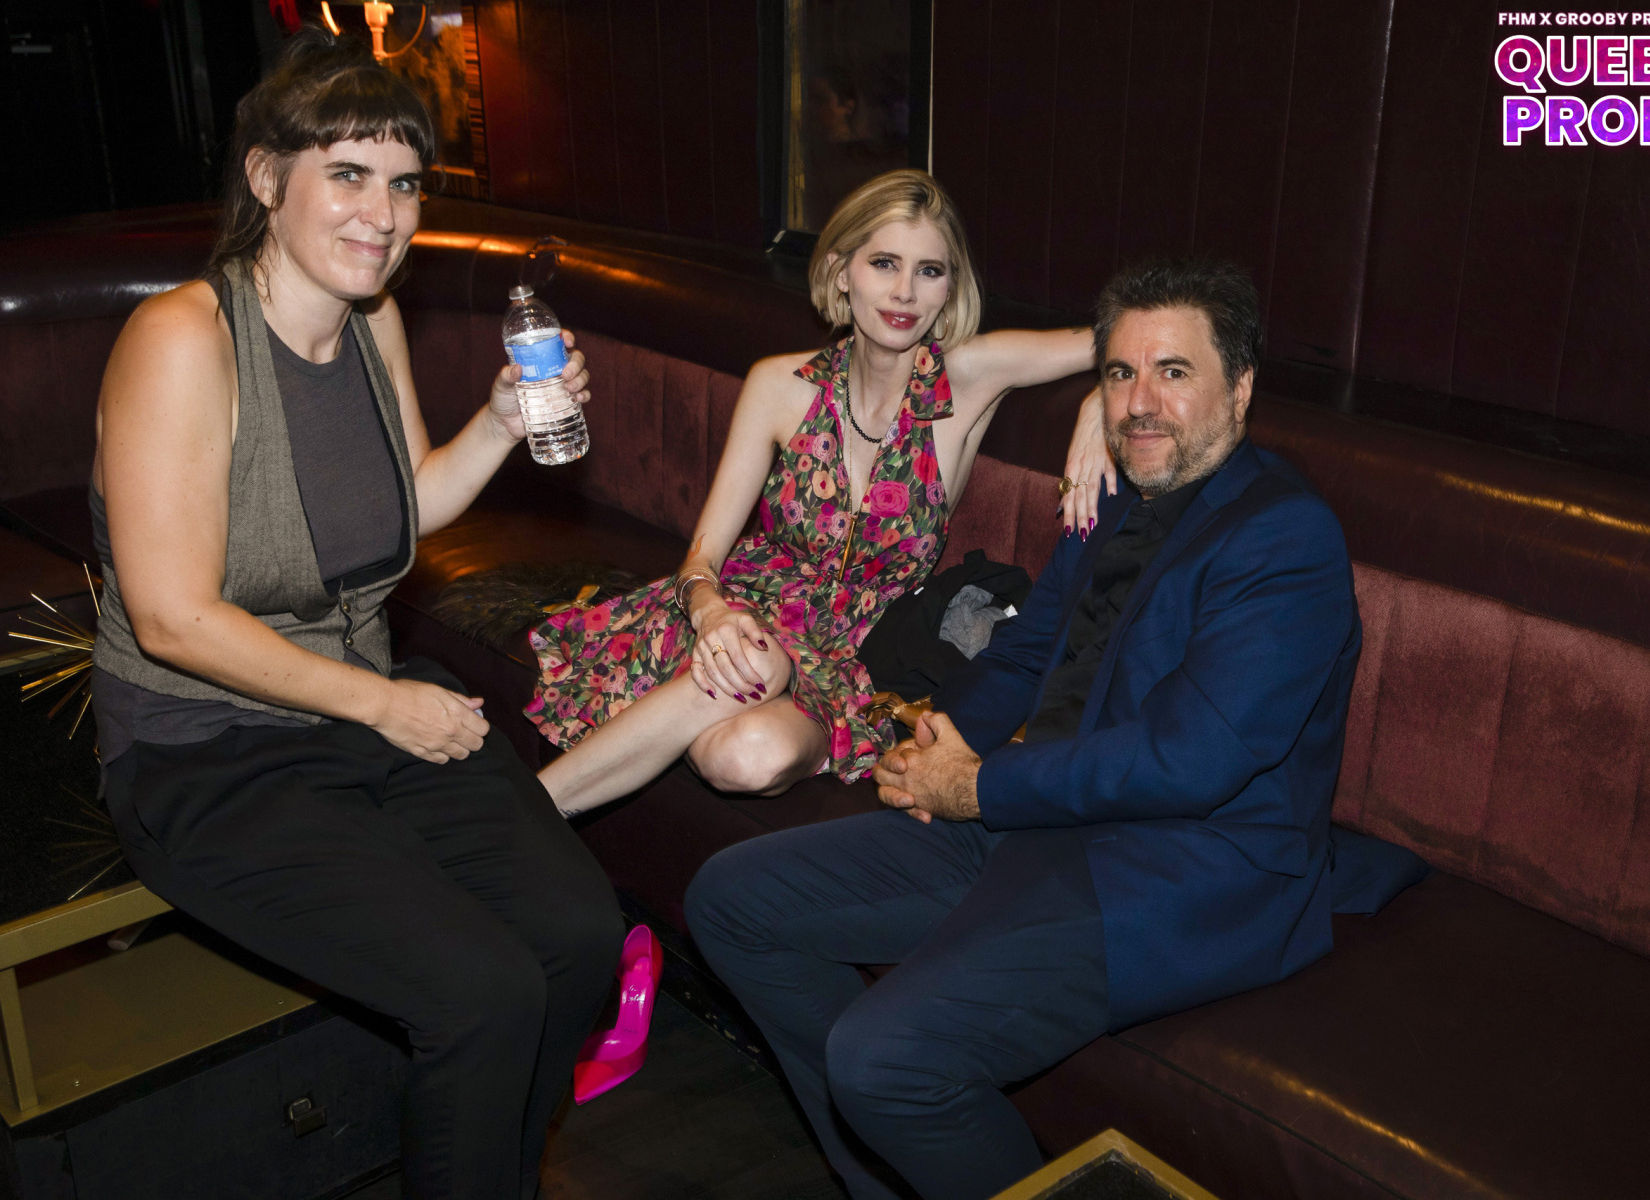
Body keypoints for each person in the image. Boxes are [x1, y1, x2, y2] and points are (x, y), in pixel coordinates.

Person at [685, 260, 1364, 1200]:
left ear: (1240, 390)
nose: (1140, 401)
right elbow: (1029, 650)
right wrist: (942, 739)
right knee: (732, 901)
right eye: (1120, 373)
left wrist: (976, 787)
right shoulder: (1117, 496)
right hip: (1041, 813)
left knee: (883, 1060)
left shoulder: (1286, 537)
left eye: (1173, 372)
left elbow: (1190, 760)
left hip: (1179, 868)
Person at [91, 31, 618, 1200]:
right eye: (348, 174)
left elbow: (399, 508)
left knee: (579, 940)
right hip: (204, 752)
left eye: (405, 183)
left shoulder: (370, 318)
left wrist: (497, 423)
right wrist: (382, 703)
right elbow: (171, 616)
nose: (384, 215)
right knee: (480, 990)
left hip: (354, 715)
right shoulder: (182, 338)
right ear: (266, 178)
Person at [531, 169, 1113, 815]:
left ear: (950, 288)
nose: (904, 291)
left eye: (929, 271)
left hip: (854, 655)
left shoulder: (970, 375)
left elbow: (1127, 337)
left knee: (744, 757)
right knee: (754, 663)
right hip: (740, 615)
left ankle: (558, 789)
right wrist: (711, 611)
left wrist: (1099, 401)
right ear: (841, 271)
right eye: (884, 263)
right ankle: (521, 817)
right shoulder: (777, 385)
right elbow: (702, 555)